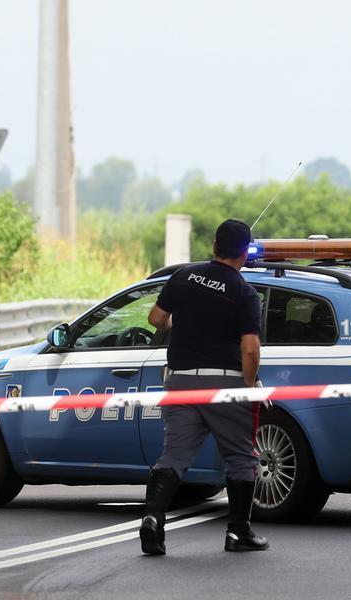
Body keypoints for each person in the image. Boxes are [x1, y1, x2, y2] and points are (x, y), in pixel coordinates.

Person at [139, 219, 268, 555]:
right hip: (225, 383)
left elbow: (155, 318)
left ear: (214, 245)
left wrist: (178, 323)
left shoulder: (182, 276)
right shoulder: (244, 292)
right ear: (244, 253)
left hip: (180, 381)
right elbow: (250, 349)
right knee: (241, 457)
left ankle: (152, 520)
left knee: (174, 455)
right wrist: (250, 383)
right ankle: (238, 532)